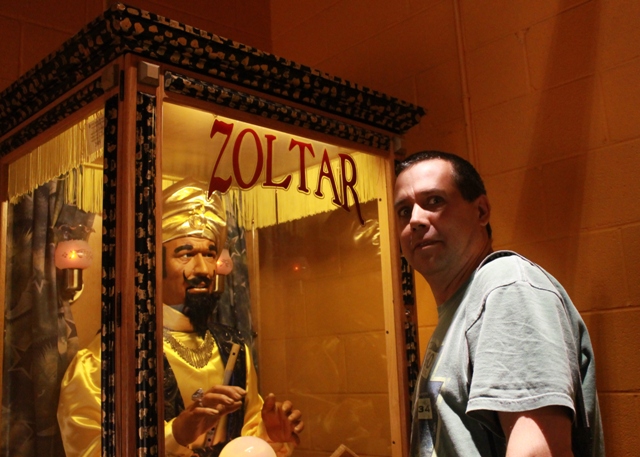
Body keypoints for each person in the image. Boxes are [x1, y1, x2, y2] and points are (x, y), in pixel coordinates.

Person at [58, 178, 303, 457]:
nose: (203, 269)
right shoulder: (109, 358)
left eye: (209, 254)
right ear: (153, 264)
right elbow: (89, 448)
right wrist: (175, 434)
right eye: (186, 254)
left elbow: (245, 438)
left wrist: (269, 435)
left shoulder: (233, 348)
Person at [393, 151, 604, 456]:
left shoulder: (507, 286)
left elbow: (537, 452)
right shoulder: (462, 306)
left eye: (434, 201)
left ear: (481, 211)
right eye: (404, 211)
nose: (415, 220)